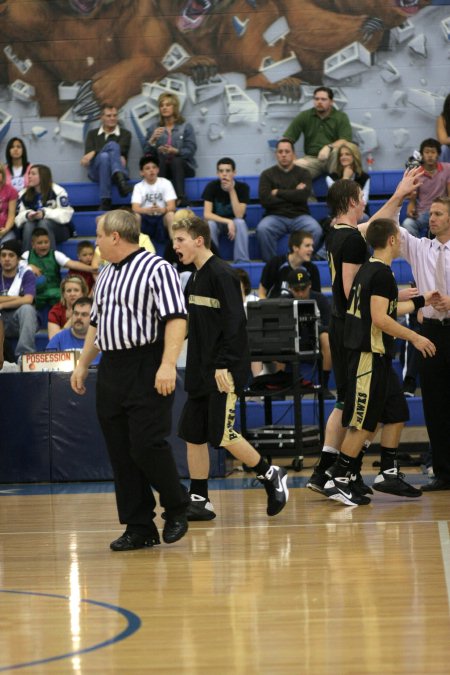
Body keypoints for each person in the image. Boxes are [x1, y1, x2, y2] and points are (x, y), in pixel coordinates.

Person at [71, 210, 189, 550]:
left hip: (147, 363)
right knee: (120, 450)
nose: (95, 242)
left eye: (98, 235)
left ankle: (177, 505)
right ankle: (139, 526)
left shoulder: (157, 268)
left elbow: (176, 318)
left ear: (115, 237)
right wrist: (82, 365)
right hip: (112, 367)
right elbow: (96, 323)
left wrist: (168, 364)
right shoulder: (105, 274)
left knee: (146, 443)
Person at [306, 170, 423, 497]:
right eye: (361, 198)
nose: (365, 202)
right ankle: (339, 472)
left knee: (352, 403)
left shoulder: (336, 231)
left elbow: (373, 229)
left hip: (346, 324)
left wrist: (399, 196)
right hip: (354, 330)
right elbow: (353, 289)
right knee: (355, 405)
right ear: (352, 201)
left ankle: (329, 471)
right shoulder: (353, 242)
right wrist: (394, 299)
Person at [172, 215, 289, 521]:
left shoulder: (223, 274)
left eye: (180, 240)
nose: (175, 247)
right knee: (193, 434)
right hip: (199, 370)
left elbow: (236, 324)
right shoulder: (194, 277)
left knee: (223, 434)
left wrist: (224, 364)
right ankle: (199, 499)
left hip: (222, 370)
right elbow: (185, 325)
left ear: (199, 240)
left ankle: (270, 473)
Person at [323, 218, 436, 506]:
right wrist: (415, 337)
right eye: (399, 237)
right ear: (392, 240)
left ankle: (387, 471)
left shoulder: (371, 270)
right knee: (361, 421)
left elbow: (387, 306)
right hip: (366, 355)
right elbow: (380, 318)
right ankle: (339, 477)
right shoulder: (380, 274)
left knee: (396, 411)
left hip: (378, 356)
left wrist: (424, 301)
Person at [399, 196, 450, 491]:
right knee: (435, 404)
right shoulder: (420, 248)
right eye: (431, 213)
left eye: (439, 213)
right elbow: (387, 227)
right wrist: (400, 195)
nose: (431, 218)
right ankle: (443, 473)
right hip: (430, 331)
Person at [256, 139, 323, 262]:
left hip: (300, 216)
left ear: (293, 154)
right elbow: (265, 200)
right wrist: (294, 193)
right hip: (275, 216)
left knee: (316, 229)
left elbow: (303, 196)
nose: (283, 154)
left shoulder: (304, 173)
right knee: (263, 229)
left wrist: (278, 192)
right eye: (280, 151)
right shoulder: (267, 175)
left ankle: (299, 261)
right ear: (276, 154)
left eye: (287, 151)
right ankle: (272, 266)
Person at [283, 87, 353, 179]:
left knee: (337, 151)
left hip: (332, 158)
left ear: (331, 102)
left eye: (323, 99)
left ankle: (338, 189)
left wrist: (329, 147)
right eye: (316, 99)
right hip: (312, 159)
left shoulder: (341, 117)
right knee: (293, 170)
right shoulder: (304, 116)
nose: (319, 102)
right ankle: (308, 193)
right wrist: (294, 160)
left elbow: (345, 140)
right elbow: (286, 140)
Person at [286, 267, 334, 399]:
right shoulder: (284, 301)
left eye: (304, 289)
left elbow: (329, 325)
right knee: (279, 340)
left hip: (314, 340)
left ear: (310, 285)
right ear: (290, 288)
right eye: (296, 290)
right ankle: (280, 385)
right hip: (291, 340)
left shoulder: (320, 299)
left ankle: (323, 385)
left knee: (326, 338)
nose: (301, 293)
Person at [144, 93, 197, 207]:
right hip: (163, 167)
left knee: (176, 160)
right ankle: (161, 199)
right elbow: (146, 153)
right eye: (161, 105)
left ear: (175, 107)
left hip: (183, 167)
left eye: (168, 105)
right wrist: (152, 140)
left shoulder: (185, 126)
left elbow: (191, 150)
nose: (164, 107)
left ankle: (181, 198)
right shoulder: (154, 128)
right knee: (160, 159)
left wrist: (176, 151)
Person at [23, 228, 96, 309]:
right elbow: (17, 267)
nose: (43, 245)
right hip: (36, 292)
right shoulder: (27, 255)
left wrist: (93, 269)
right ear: (33, 244)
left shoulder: (55, 254)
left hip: (55, 291)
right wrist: (29, 267)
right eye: (40, 243)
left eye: (46, 242)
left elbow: (73, 264)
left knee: (64, 295)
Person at [81, 104, 133, 212]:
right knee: (112, 146)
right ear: (102, 117)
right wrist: (95, 152)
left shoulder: (126, 134)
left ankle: (105, 200)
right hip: (97, 172)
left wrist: (94, 152)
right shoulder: (92, 134)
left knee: (105, 156)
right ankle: (121, 182)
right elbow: (88, 157)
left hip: (115, 169)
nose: (112, 118)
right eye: (109, 116)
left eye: (115, 115)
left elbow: (122, 151)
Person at [15, 164, 74, 252]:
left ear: (43, 176)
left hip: (58, 231)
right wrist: (27, 215)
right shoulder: (23, 194)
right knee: (28, 224)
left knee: (44, 223)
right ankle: (26, 259)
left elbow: (66, 214)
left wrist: (44, 213)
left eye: (33, 174)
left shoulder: (58, 191)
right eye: (29, 174)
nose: (29, 176)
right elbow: (17, 219)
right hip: (33, 230)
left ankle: (50, 260)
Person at [202, 157, 250, 263]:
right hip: (217, 223)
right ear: (217, 174)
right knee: (210, 224)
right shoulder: (211, 186)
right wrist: (228, 221)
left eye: (228, 171)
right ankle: (212, 261)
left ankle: (242, 261)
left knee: (240, 223)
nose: (224, 174)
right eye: (221, 171)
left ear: (234, 173)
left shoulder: (243, 188)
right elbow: (207, 214)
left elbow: (239, 215)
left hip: (236, 222)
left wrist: (231, 190)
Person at [401, 138, 450, 238]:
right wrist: (411, 208)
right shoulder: (416, 172)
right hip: (423, 213)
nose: (430, 155)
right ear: (422, 154)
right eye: (427, 152)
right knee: (407, 224)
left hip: (442, 211)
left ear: (438, 154)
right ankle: (418, 250)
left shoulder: (448, 168)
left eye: (433, 152)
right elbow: (412, 199)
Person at [0, 239, 37, 357]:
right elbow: (23, 298)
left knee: (27, 309)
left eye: (11, 255)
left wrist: (2, 304)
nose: (6, 259)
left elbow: (28, 299)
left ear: (18, 259)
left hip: (17, 321)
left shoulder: (27, 273)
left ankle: (25, 355)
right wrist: (17, 298)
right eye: (3, 255)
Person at [258, 230, 321, 298]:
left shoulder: (312, 269)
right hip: (276, 306)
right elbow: (261, 293)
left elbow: (316, 297)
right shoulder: (275, 263)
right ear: (295, 248)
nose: (311, 249)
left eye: (312, 246)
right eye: (307, 246)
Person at [131, 155, 176, 242]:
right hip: (145, 219)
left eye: (154, 167)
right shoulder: (138, 187)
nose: (151, 170)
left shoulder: (166, 183)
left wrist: (162, 210)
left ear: (158, 170)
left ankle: (174, 246)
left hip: (161, 218)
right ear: (141, 172)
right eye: (147, 168)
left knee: (170, 215)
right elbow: (135, 208)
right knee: (136, 216)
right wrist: (147, 210)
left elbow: (172, 206)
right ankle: (136, 245)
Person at [46, 296, 101, 365]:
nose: (79, 317)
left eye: (84, 314)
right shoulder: (59, 338)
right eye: (76, 313)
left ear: (93, 317)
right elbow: (49, 366)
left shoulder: (103, 339)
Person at [326, 142, 370, 219]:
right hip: (338, 214)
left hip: (359, 214)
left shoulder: (364, 177)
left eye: (347, 154)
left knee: (364, 218)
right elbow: (337, 200)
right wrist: (345, 177)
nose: (343, 157)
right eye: (341, 155)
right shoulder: (331, 177)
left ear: (354, 156)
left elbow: (363, 201)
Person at [47, 275, 89, 339]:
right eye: (69, 291)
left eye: (76, 290)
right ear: (63, 294)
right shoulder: (56, 311)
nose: (72, 294)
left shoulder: (92, 309)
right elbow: (53, 339)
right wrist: (72, 319)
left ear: (83, 293)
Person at [0, 163, 18, 243]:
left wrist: (6, 229)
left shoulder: (11, 191)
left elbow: (11, 215)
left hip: (4, 230)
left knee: (8, 244)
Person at [436, 93, 450, 163]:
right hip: (448, 152)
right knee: (443, 148)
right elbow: (442, 140)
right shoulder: (442, 118)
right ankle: (443, 173)